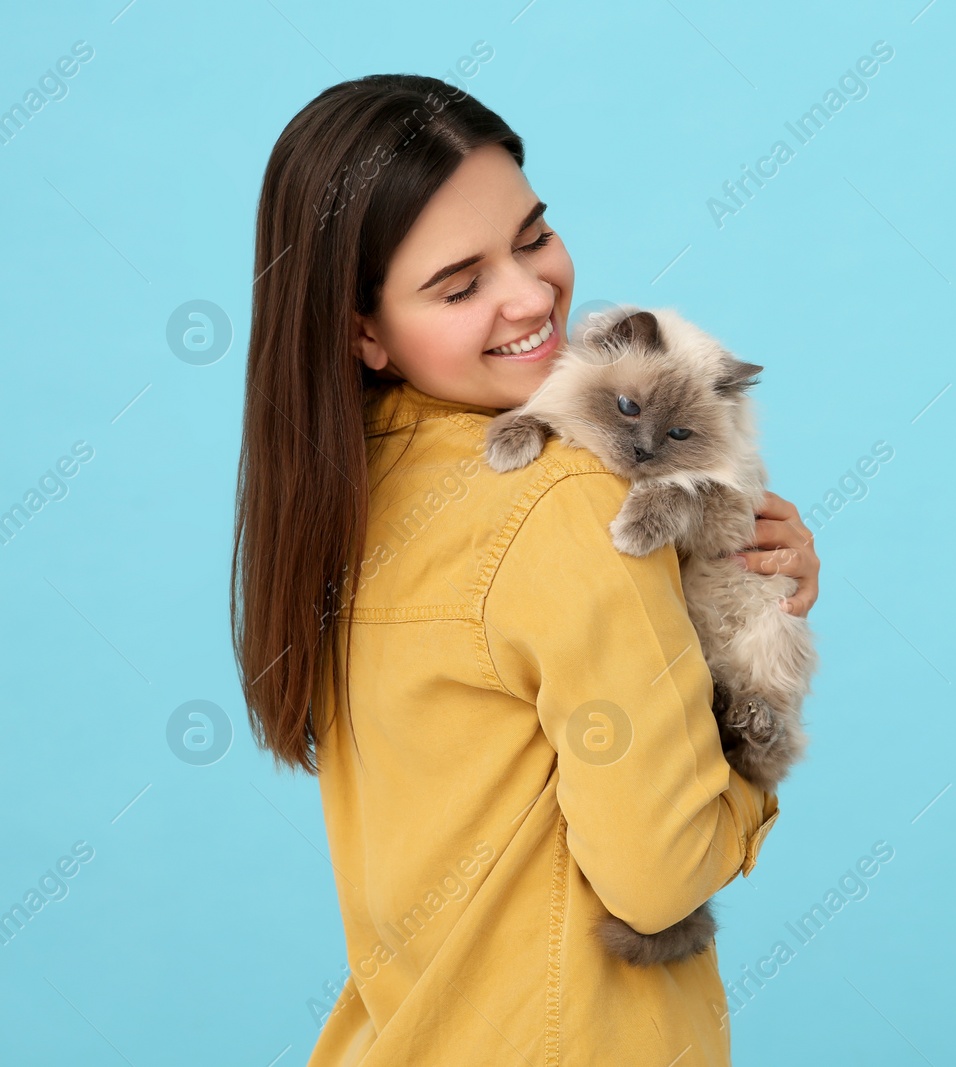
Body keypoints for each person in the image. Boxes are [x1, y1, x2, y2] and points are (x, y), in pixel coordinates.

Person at [230, 73, 820, 1066]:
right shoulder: (567, 500)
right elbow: (657, 875)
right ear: (361, 330)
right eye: (458, 285)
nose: (529, 295)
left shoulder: (344, 491)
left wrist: (716, 565)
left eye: (534, 234)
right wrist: (753, 729)